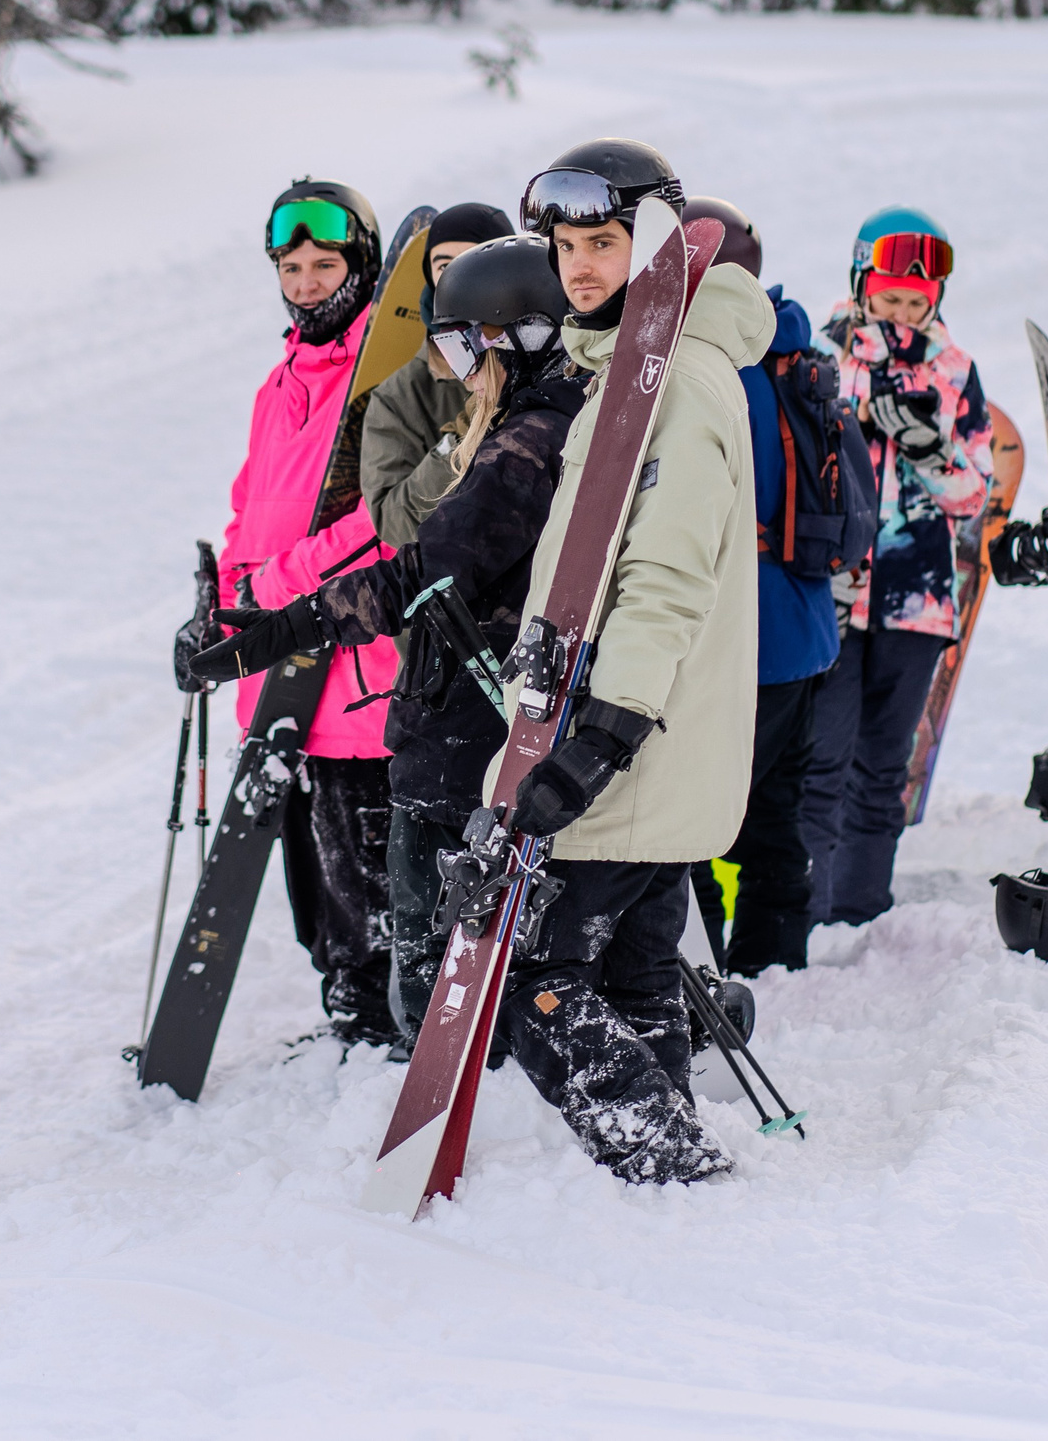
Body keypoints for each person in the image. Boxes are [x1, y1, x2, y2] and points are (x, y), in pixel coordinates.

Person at [188, 236, 586, 1046]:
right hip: (464, 711)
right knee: (430, 945)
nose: (453, 367)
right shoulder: (528, 425)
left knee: (429, 954)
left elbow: (422, 572)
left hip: (463, 725)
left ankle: (472, 1074)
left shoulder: (526, 444)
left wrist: (286, 625)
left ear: (517, 337)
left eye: (460, 343)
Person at [495, 138, 775, 1185]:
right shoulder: (631, 371)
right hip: (661, 735)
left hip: (632, 739)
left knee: (529, 972)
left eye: (605, 243)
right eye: (567, 245)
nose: (580, 267)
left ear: (655, 247)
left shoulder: (678, 385)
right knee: (639, 969)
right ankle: (679, 1181)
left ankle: (653, 1154)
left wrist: (600, 739)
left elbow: (662, 579)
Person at [215, 178, 403, 1046]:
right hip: (283, 676)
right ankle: (346, 1011)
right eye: (290, 267)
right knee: (311, 887)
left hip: (356, 681)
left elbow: (379, 521)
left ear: (360, 267)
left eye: (323, 264)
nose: (304, 283)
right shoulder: (280, 380)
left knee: (365, 882)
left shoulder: (386, 378)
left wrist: (275, 584)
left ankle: (380, 1030)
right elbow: (248, 503)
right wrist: (225, 606)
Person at [801, 207, 994, 929]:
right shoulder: (822, 357)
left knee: (884, 766)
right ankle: (805, 910)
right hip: (833, 590)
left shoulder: (952, 370)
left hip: (916, 598)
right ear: (861, 287)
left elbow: (975, 492)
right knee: (822, 760)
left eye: (917, 301)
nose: (905, 312)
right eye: (890, 299)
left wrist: (925, 446)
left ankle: (858, 912)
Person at [681, 198, 842, 975]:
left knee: (693, 817)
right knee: (775, 813)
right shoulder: (798, 356)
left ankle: (702, 970)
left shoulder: (720, 369)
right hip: (803, 624)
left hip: (741, 633)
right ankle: (775, 962)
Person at [361, 202, 518, 547]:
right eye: (443, 265)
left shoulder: (554, 346)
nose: (457, 276)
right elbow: (394, 524)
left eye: (474, 259)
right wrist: (463, 438)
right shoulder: (402, 396)